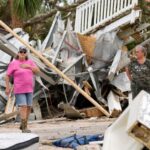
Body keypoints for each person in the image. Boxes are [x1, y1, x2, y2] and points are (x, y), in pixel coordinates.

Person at [5, 47, 40, 133]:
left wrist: (29, 66)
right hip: (19, 88)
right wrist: (7, 87)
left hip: (29, 88)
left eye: (24, 52)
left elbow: (37, 71)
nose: (23, 53)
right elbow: (7, 76)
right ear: (18, 53)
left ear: (26, 53)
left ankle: (23, 124)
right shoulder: (13, 63)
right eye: (21, 52)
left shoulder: (30, 62)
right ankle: (24, 127)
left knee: (28, 107)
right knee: (23, 106)